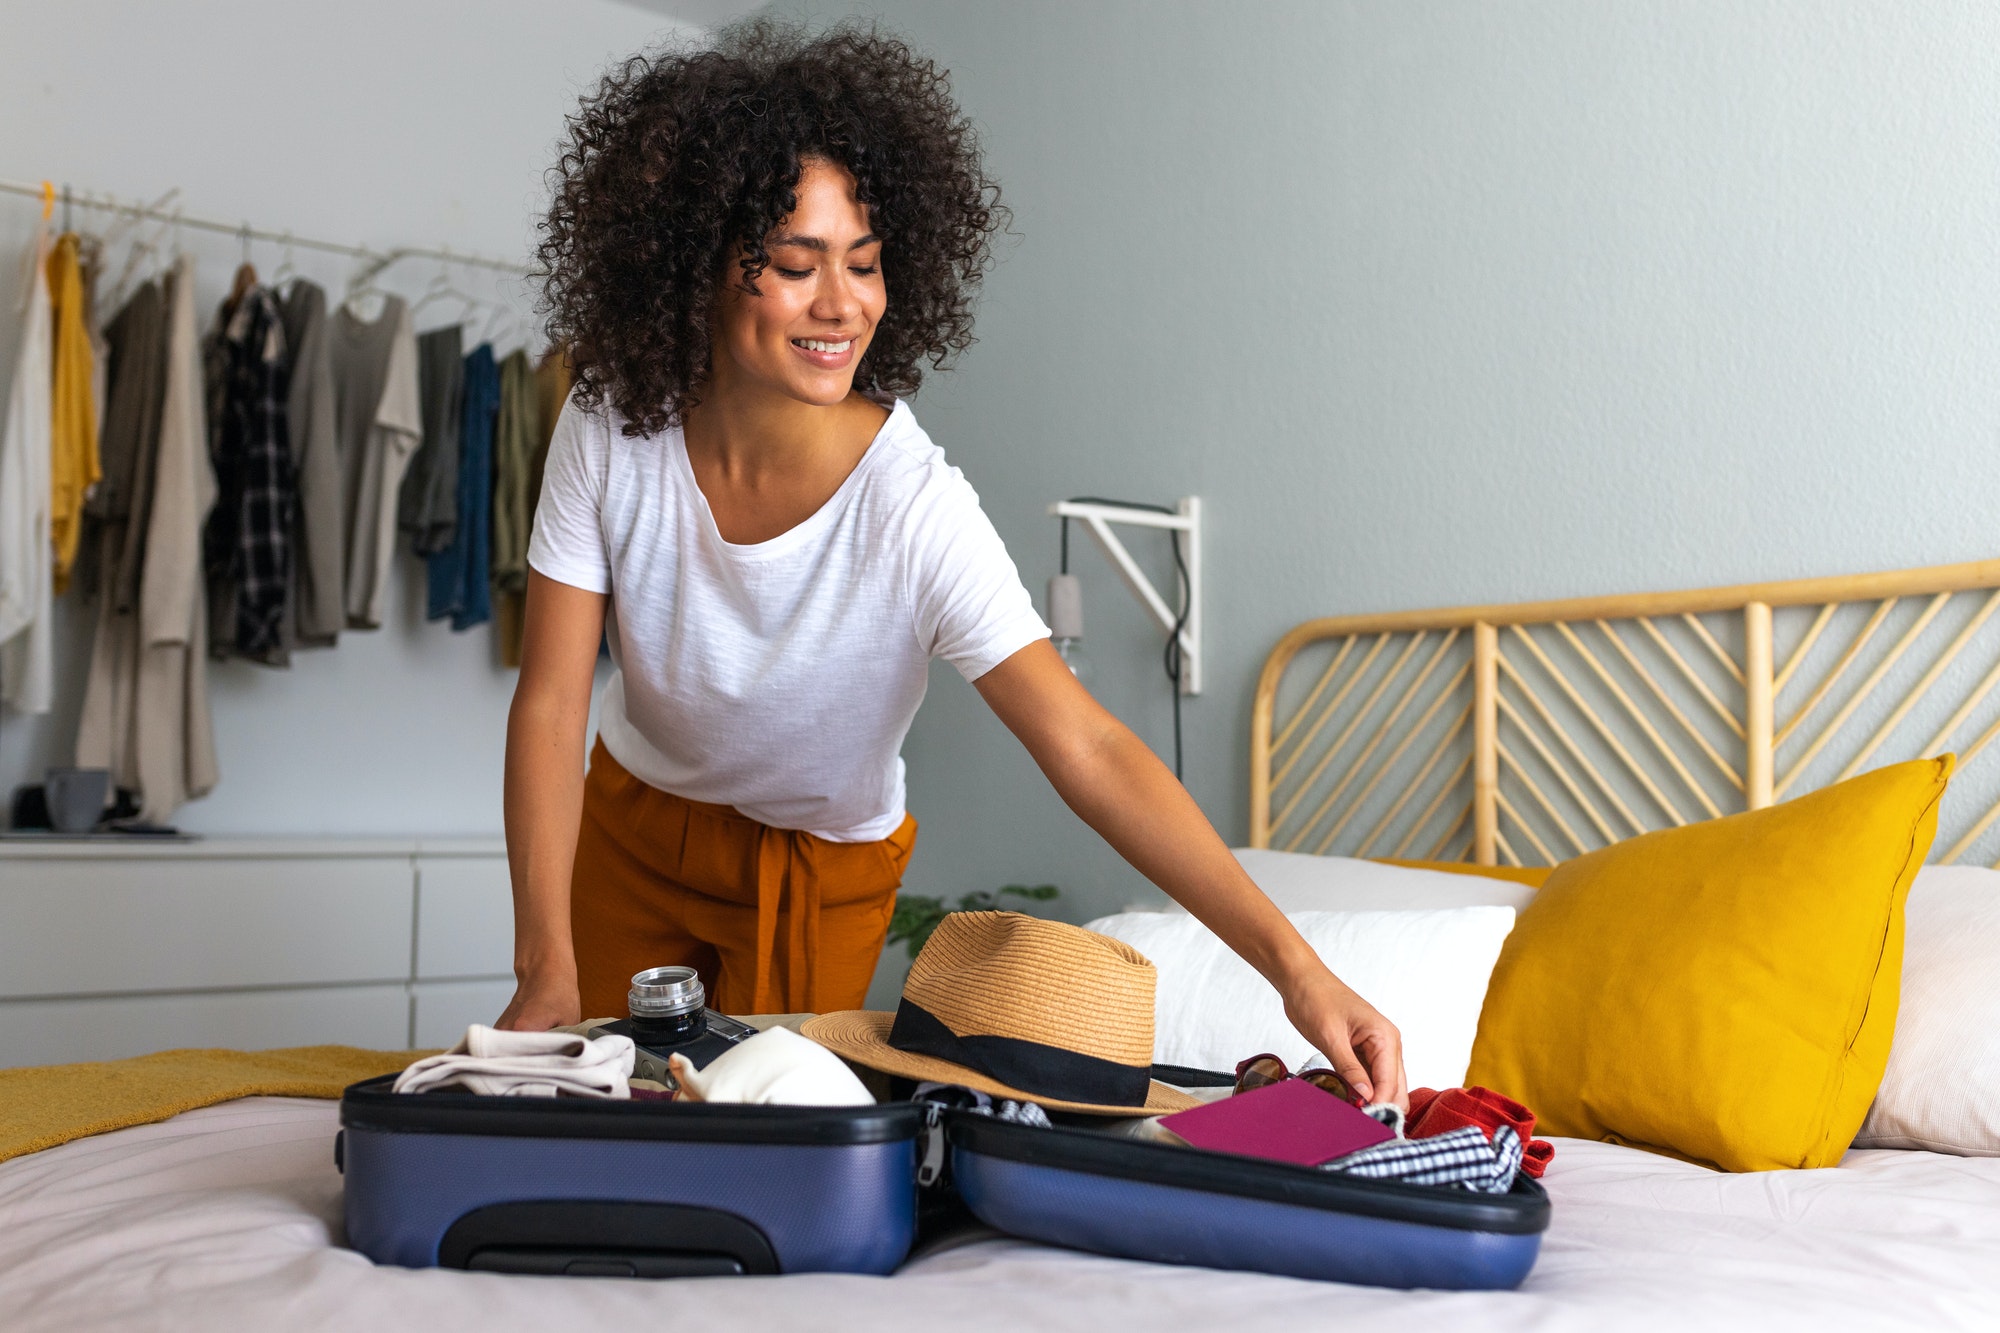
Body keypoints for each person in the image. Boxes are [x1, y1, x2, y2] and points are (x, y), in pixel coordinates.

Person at [498, 20, 1408, 1107]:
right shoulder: (611, 421)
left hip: (818, 868)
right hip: (634, 826)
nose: (842, 305)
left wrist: (1297, 972)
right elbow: (552, 702)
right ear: (694, 270)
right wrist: (541, 962)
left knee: (764, 1143)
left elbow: (1087, 745)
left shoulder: (913, 506)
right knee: (594, 1120)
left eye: (865, 263)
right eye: (794, 266)